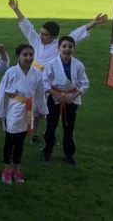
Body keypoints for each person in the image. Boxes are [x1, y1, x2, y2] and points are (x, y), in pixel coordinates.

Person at [8, 0, 107, 144]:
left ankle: (50, 135)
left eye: (45, 34)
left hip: (49, 80)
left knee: (49, 111)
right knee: (34, 107)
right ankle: (33, 134)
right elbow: (27, 25)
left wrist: (93, 23)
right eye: (41, 32)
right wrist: (16, 9)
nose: (41, 35)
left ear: (53, 36)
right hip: (33, 77)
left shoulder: (58, 45)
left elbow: (75, 35)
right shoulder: (35, 40)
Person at [0, 44, 47, 184]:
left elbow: (40, 93)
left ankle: (16, 168)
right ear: (18, 56)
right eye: (25, 55)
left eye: (31, 55)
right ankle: (6, 169)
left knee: (20, 142)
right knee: (10, 141)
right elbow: (1, 92)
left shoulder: (36, 73)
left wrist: (42, 110)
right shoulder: (11, 72)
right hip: (14, 109)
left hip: (28, 109)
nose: (28, 58)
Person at [41, 36, 89, 166]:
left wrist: (74, 96)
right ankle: (47, 152)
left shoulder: (78, 65)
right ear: (59, 48)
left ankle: (69, 154)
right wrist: (55, 93)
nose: (67, 49)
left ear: (74, 48)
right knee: (51, 124)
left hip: (71, 98)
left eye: (70, 46)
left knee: (69, 126)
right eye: (64, 46)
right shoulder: (51, 64)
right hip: (54, 97)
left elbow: (85, 83)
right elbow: (44, 82)